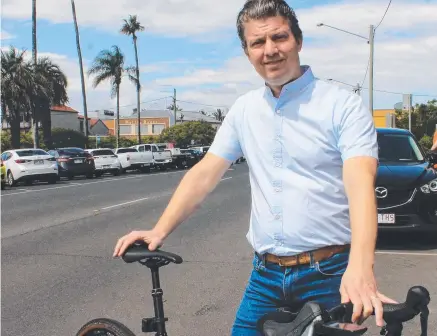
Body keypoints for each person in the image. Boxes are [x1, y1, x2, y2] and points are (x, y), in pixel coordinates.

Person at [113, 0, 396, 334]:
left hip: (329, 272)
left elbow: (360, 184)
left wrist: (361, 266)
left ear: (299, 41)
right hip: (266, 276)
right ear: (247, 52)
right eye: (257, 43)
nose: (270, 50)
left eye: (279, 38)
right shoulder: (245, 110)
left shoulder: (341, 106)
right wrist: (159, 230)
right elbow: (205, 173)